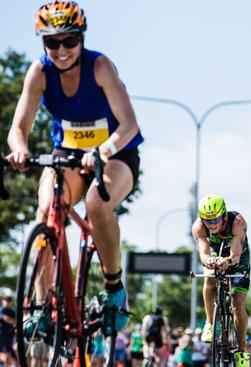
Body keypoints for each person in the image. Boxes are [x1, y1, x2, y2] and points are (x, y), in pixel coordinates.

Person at [6, 1, 145, 333]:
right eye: (52, 42)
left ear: (82, 39)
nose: (62, 50)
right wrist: (20, 150)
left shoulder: (100, 67)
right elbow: (18, 129)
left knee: (97, 203)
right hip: (66, 153)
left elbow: (128, 125)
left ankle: (113, 287)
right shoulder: (39, 72)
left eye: (70, 41)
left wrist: (103, 148)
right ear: (43, 43)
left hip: (115, 153)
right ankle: (41, 306)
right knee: (46, 211)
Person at [192, 194, 251, 366]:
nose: (212, 224)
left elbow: (235, 255)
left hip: (238, 255)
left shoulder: (238, 222)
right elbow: (203, 253)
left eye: (215, 219)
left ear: (224, 215)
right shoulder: (198, 227)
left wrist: (229, 261)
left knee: (237, 303)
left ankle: (241, 350)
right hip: (215, 253)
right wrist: (208, 261)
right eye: (207, 220)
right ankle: (210, 323)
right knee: (209, 278)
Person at [0, 289, 16, 367]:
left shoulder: (12, 311)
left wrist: (10, 320)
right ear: (3, 301)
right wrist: (10, 320)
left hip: (10, 336)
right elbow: (7, 319)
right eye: (6, 300)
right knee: (5, 357)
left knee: (8, 356)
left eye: (9, 300)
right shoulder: (1, 310)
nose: (7, 301)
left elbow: (12, 321)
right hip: (2, 336)